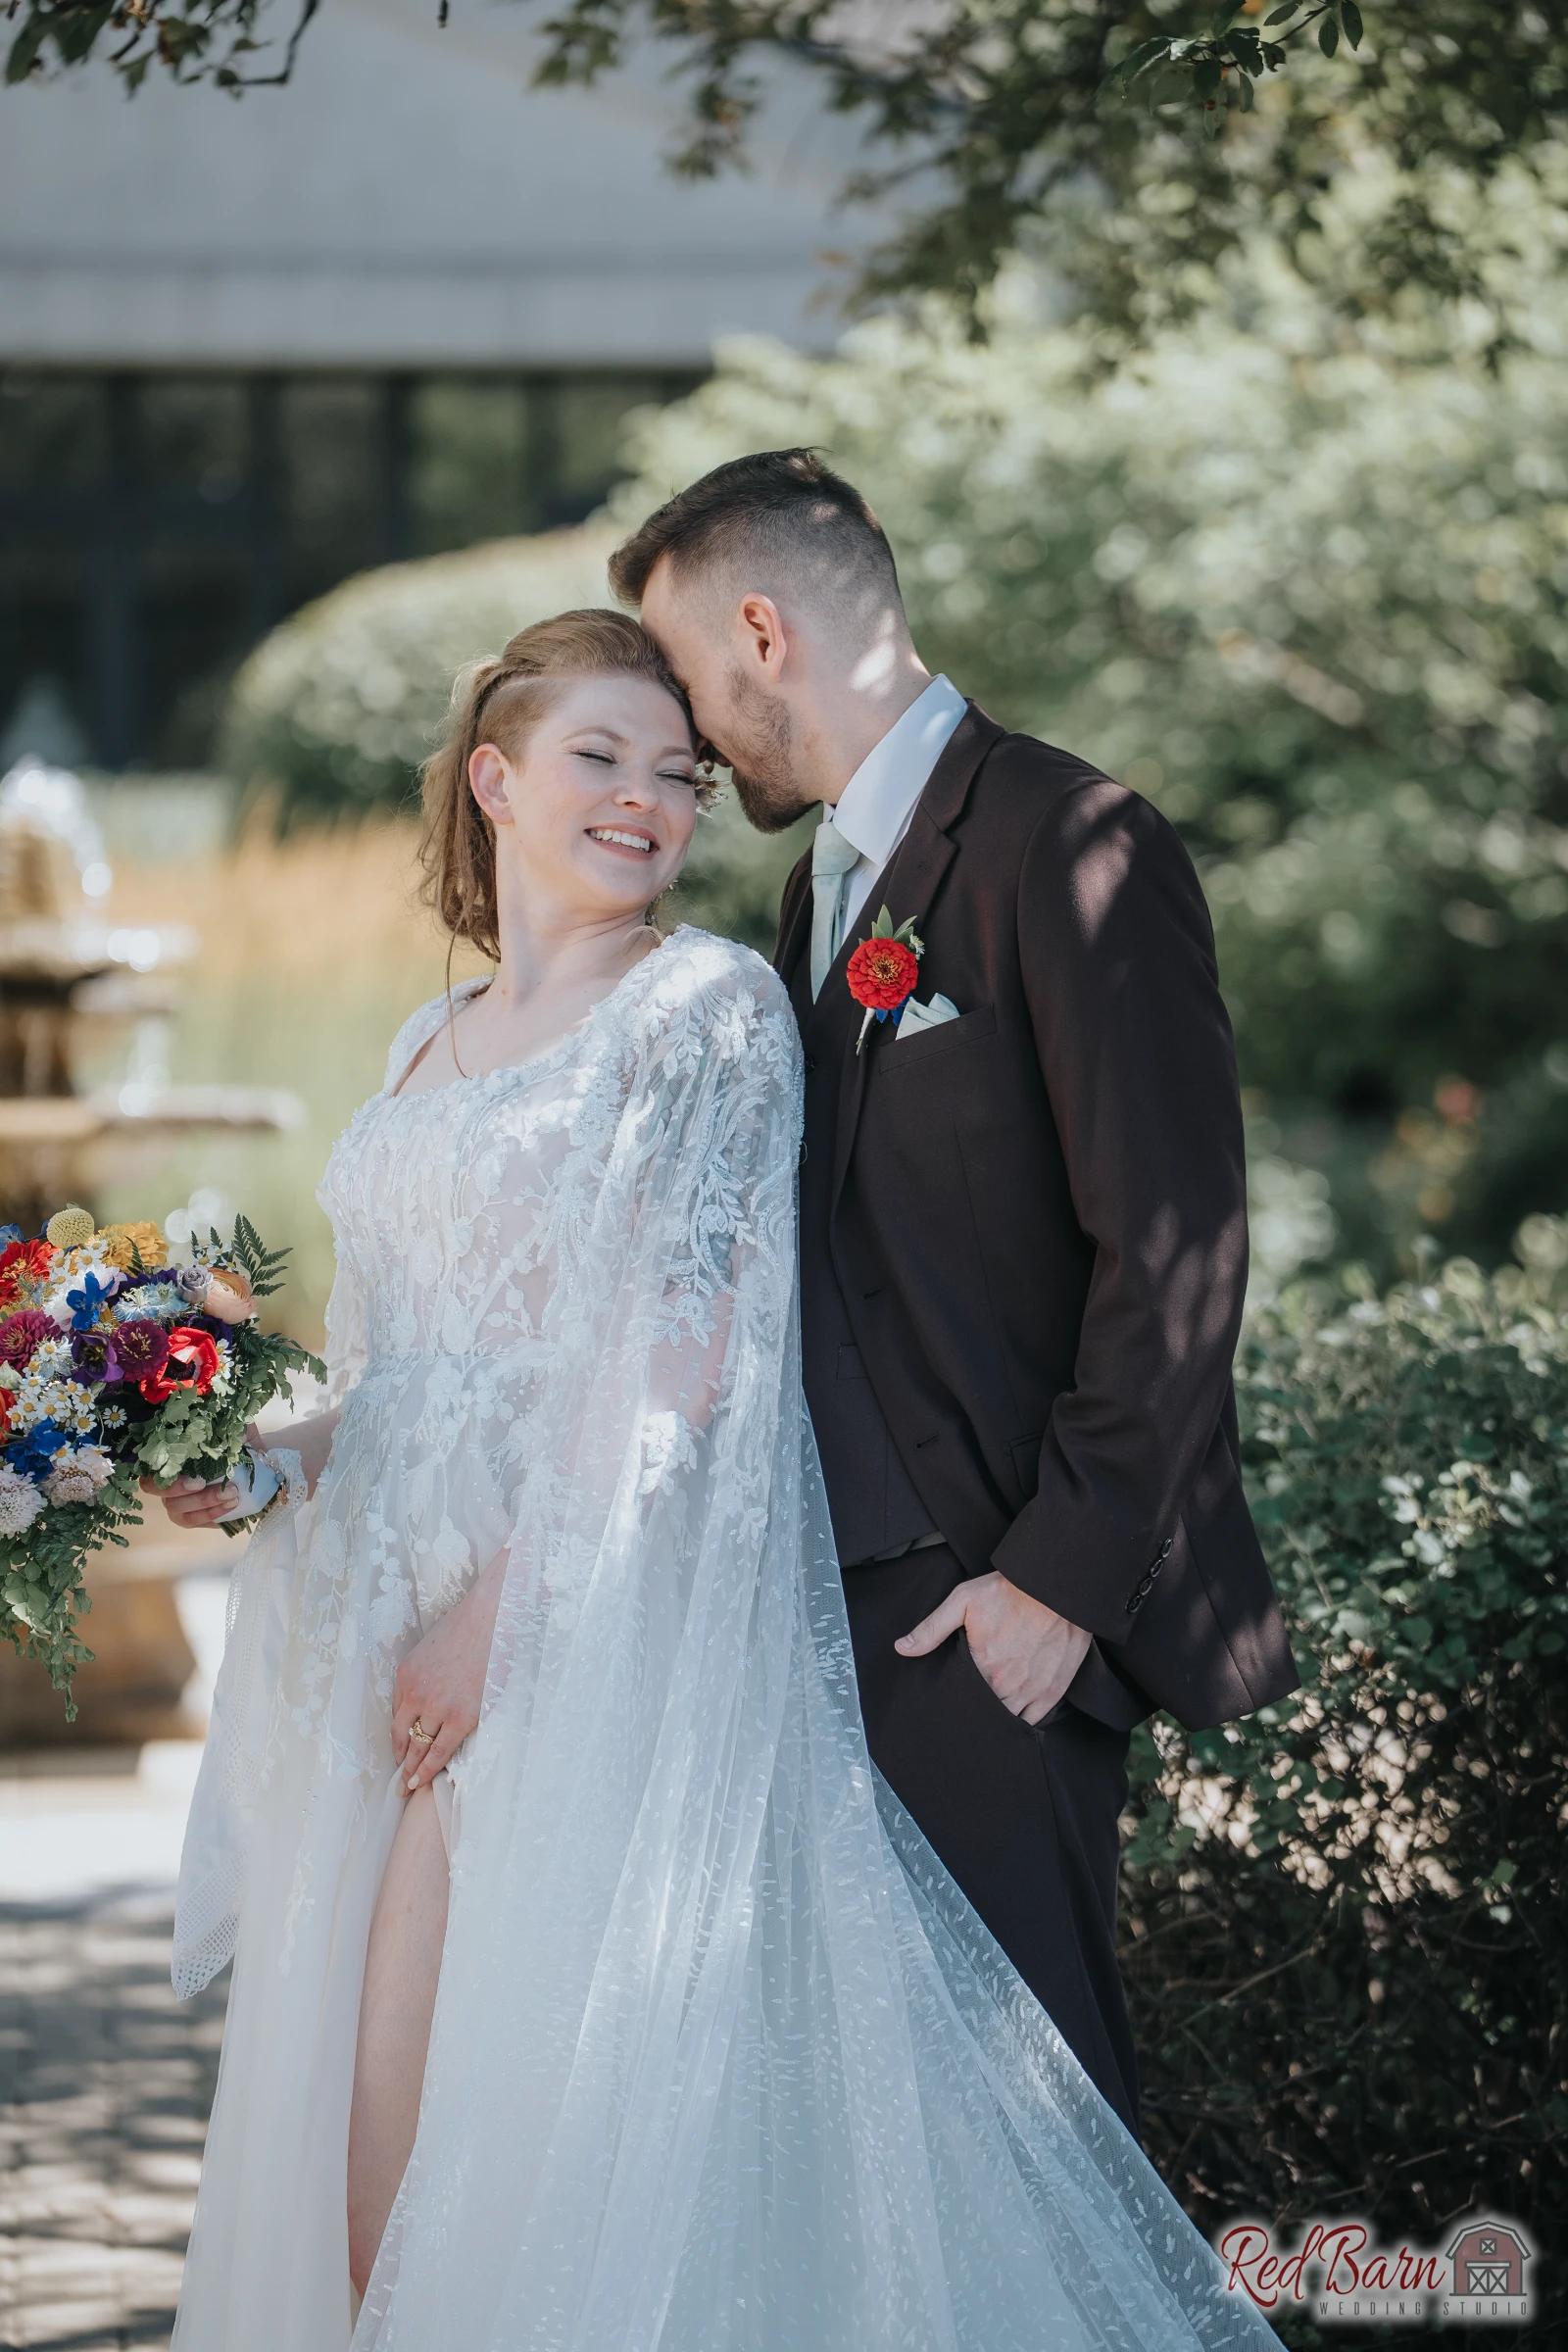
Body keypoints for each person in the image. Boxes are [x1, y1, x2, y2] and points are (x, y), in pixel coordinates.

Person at [158, 609, 1281, 2346]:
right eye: (600, 758)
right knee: (356, 2151)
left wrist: (499, 1623)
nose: (648, 800)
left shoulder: (706, 1010)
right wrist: (246, 1472)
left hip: (565, 1639)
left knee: (476, 2160)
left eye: (678, 775)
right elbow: (389, 1386)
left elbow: (677, 1366)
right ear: (494, 778)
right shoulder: (416, 1045)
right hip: (382, 1635)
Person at [611, 449, 1303, 2142]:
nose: (689, 739)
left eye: (688, 681)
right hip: (826, 1625)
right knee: (887, 2172)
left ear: (760, 631)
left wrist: (1049, 1594)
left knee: (1040, 2149)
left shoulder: (1074, 839)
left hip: (992, 1622)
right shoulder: (815, 891)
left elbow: (1180, 1244)